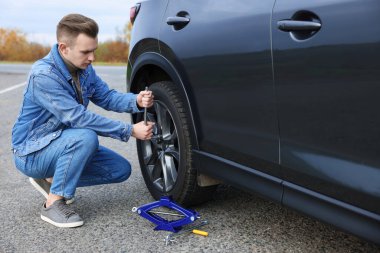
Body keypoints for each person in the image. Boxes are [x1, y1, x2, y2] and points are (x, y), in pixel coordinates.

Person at [11, 13, 154, 228]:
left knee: (119, 169)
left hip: (61, 143)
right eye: (86, 52)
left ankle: (51, 179)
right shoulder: (43, 75)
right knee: (86, 137)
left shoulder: (84, 69)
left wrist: (136, 100)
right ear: (63, 48)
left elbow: (106, 96)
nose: (92, 57)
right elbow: (78, 118)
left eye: (93, 50)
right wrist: (129, 130)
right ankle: (54, 203)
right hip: (31, 152)